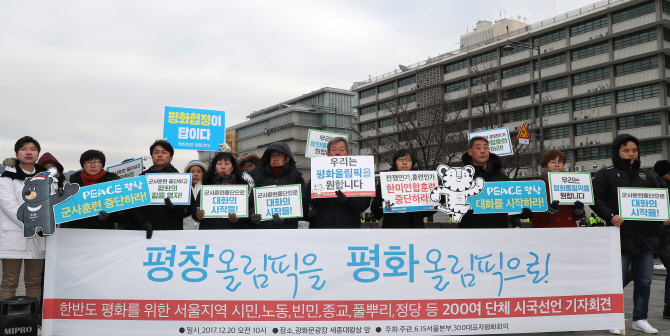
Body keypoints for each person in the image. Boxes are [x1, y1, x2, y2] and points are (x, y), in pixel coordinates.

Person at [591, 134, 669, 335]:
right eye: (626, 150)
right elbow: (595, 198)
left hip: (645, 237)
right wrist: (610, 216)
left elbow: (660, 199)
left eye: (634, 150)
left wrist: (663, 216)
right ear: (617, 152)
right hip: (619, 236)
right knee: (617, 279)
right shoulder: (605, 174)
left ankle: (640, 318)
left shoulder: (647, 175)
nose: (631, 154)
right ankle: (613, 318)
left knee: (644, 280)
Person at [0, 136, 47, 301]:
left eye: (33, 149)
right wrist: (35, 223)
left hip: (38, 238)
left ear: (38, 154)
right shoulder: (6, 178)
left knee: (34, 282)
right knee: (9, 281)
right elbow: (10, 207)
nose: (29, 152)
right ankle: (6, 323)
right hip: (14, 236)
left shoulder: (47, 179)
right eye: (24, 149)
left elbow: (53, 207)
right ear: (17, 153)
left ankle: (33, 323)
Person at [455, 136, 528, 228]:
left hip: (499, 233)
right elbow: (452, 209)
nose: (483, 151)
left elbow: (510, 203)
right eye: (478, 148)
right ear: (470, 152)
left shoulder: (501, 177)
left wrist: (518, 219)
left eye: (486, 148)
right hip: (471, 233)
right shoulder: (459, 178)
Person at [128, 140, 190, 238]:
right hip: (145, 233)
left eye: (164, 152)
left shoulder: (181, 179)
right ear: (152, 157)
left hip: (173, 233)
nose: (159, 155)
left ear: (171, 157)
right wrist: (143, 221)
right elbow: (132, 206)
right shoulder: (142, 178)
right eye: (156, 152)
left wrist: (176, 209)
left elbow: (188, 208)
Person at [308, 137, 371, 229]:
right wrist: (321, 191)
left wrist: (349, 202)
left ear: (347, 154)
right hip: (322, 228)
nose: (337, 153)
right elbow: (310, 199)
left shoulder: (358, 174)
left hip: (349, 228)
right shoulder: (319, 173)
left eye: (341, 150)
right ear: (328, 154)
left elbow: (364, 203)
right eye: (334, 150)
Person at [247, 142, 308, 229]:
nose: (275, 158)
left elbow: (303, 207)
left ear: (287, 159)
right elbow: (248, 203)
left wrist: (287, 218)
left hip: (286, 231)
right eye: (272, 155)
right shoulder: (257, 177)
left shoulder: (296, 178)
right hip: (261, 230)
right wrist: (252, 215)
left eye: (279, 155)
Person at [371, 149, 435, 228]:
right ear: (395, 162)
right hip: (392, 231)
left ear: (412, 163)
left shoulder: (420, 182)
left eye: (408, 159)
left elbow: (426, 212)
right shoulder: (386, 182)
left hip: (416, 231)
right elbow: (376, 212)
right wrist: (381, 203)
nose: (404, 162)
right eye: (401, 159)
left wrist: (437, 200)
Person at [66, 150, 122, 229]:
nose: (92, 165)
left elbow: (122, 212)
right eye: (88, 162)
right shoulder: (73, 183)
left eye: (96, 162)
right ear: (83, 165)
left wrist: (110, 215)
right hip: (77, 231)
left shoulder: (113, 183)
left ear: (102, 165)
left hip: (104, 231)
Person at [193, 152, 251, 229]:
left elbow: (249, 213)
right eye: (219, 163)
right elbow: (195, 209)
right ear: (215, 167)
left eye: (227, 163)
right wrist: (198, 215)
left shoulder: (242, 189)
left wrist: (238, 219)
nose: (223, 167)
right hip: (209, 233)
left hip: (234, 233)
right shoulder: (206, 188)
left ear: (232, 168)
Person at [530, 150, 585, 228]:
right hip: (547, 231)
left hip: (569, 230)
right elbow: (530, 214)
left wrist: (579, 211)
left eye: (560, 162)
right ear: (545, 165)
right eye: (553, 162)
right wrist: (547, 212)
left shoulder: (571, 183)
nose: (557, 165)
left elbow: (577, 217)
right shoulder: (537, 185)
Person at [654, 160, 670, 319]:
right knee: (636, 272)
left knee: (635, 272)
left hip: (662, 235)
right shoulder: (661, 185)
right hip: (659, 235)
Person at [183, 160, 207, 230]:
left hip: (203, 228)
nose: (195, 174)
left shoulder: (208, 188)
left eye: (199, 171)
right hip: (185, 229)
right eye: (192, 171)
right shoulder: (182, 189)